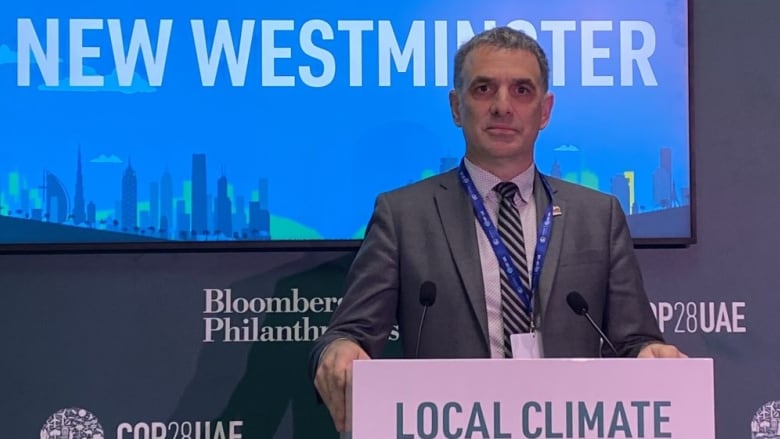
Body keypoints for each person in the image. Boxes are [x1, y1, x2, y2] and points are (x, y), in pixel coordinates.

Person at [309, 26, 686, 433]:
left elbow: (634, 342)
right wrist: (339, 349)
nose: (502, 106)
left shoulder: (598, 214)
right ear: (456, 107)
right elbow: (349, 333)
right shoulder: (403, 215)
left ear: (545, 111)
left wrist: (652, 354)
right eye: (484, 89)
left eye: (522, 90)